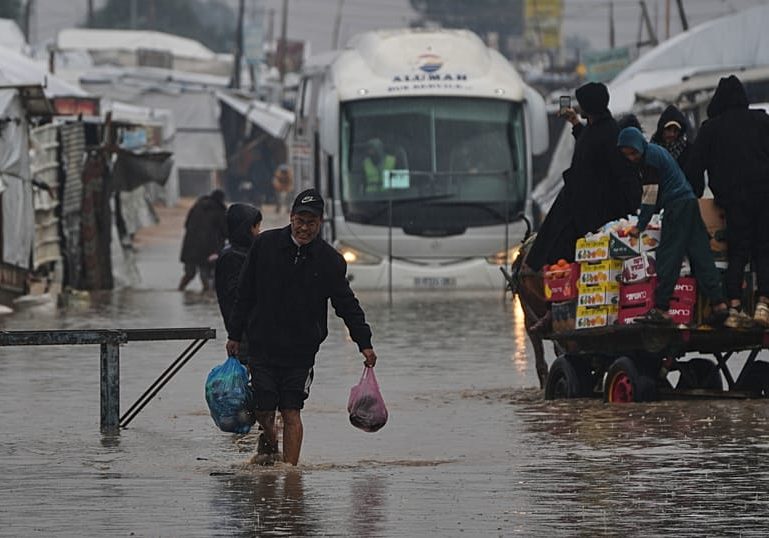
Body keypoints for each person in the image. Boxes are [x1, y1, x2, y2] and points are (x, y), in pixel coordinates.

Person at [225, 188, 377, 465]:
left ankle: (290, 475)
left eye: (312, 223)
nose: (305, 228)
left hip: (301, 351)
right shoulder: (265, 245)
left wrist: (363, 342)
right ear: (291, 217)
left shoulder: (330, 261)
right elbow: (244, 293)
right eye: (300, 221)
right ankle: (270, 441)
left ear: (320, 224)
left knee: (292, 410)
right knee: (264, 409)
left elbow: (346, 304)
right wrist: (234, 335)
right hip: (262, 345)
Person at [617, 127, 729, 325]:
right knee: (700, 253)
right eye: (627, 155)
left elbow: (649, 196)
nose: (632, 158)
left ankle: (660, 308)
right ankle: (719, 303)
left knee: (669, 255)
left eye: (633, 153)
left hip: (676, 206)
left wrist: (640, 226)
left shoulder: (650, 159)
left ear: (639, 146)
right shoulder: (654, 151)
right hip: (689, 202)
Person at [527, 81, 641, 270]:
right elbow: (590, 146)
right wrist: (575, 123)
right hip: (581, 203)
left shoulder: (609, 133)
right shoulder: (598, 128)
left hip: (594, 211)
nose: (578, 106)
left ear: (589, 106)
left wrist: (636, 210)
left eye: (582, 103)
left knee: (560, 246)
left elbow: (622, 174)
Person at [686, 75, 769, 328]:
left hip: (733, 200)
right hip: (765, 193)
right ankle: (764, 306)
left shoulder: (711, 128)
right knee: (765, 248)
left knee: (738, 251)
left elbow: (694, 167)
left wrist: (698, 195)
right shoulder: (762, 120)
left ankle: (734, 307)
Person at [215, 203, 262, 364]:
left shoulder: (247, 253)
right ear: (245, 229)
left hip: (253, 334)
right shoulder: (232, 257)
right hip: (245, 336)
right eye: (256, 227)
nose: (259, 232)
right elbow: (236, 297)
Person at [178, 189, 227, 292]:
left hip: (190, 246)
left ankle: (180, 290)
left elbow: (186, 224)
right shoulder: (220, 211)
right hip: (208, 249)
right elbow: (225, 231)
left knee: (189, 273)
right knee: (205, 274)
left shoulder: (197, 207)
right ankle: (206, 298)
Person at [650, 105, 693, 171]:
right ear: (661, 130)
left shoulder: (688, 151)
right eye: (668, 129)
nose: (672, 134)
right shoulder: (652, 151)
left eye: (676, 130)